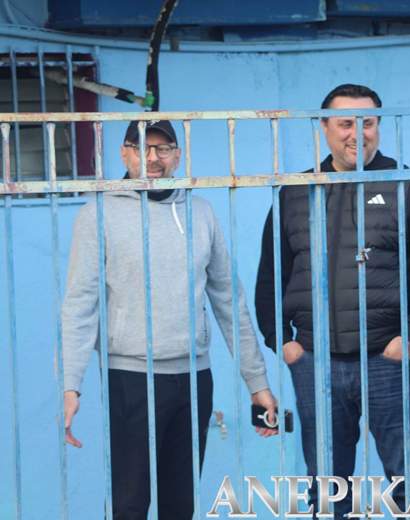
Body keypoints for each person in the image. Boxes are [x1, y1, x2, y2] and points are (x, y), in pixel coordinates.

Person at [255, 84, 410, 518]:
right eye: (346, 123)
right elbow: (270, 277)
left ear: (379, 127)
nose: (357, 133)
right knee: (327, 486)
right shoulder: (296, 193)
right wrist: (284, 343)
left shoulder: (409, 187)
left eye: (367, 123)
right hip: (316, 364)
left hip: (389, 360)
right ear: (325, 127)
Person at [61, 120, 278, 519]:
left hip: (194, 377)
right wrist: (70, 384)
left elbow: (229, 300)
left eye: (163, 148)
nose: (152, 158)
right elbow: (80, 302)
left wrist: (257, 383)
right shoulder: (98, 213)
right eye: (141, 147)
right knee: (129, 502)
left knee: (180, 503)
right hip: (131, 377)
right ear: (124, 153)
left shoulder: (201, 212)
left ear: (177, 155)